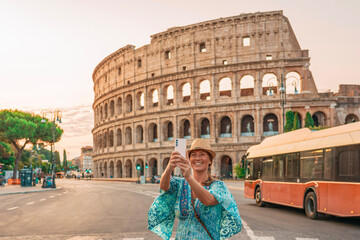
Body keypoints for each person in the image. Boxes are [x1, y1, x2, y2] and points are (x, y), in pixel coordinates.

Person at [148, 138, 241, 240]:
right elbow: (164, 186)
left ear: (210, 160)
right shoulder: (181, 184)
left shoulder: (218, 186)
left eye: (202, 154)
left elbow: (208, 200)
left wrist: (189, 177)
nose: (197, 158)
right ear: (189, 159)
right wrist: (169, 167)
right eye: (193, 155)